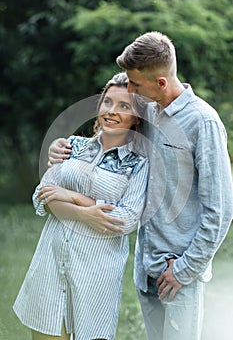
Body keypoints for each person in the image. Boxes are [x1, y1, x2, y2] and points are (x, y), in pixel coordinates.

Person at [49, 32, 233, 340]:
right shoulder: (147, 109)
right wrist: (60, 147)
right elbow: (107, 131)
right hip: (146, 266)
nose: (129, 89)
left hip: (178, 273)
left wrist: (186, 269)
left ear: (161, 83)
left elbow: (221, 210)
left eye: (134, 84)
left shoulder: (203, 122)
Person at [13, 72, 149, 340]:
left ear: (137, 118)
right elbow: (42, 196)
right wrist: (86, 212)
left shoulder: (138, 164)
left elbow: (125, 220)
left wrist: (71, 197)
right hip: (50, 266)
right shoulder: (72, 147)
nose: (112, 111)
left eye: (124, 106)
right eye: (107, 102)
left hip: (96, 276)